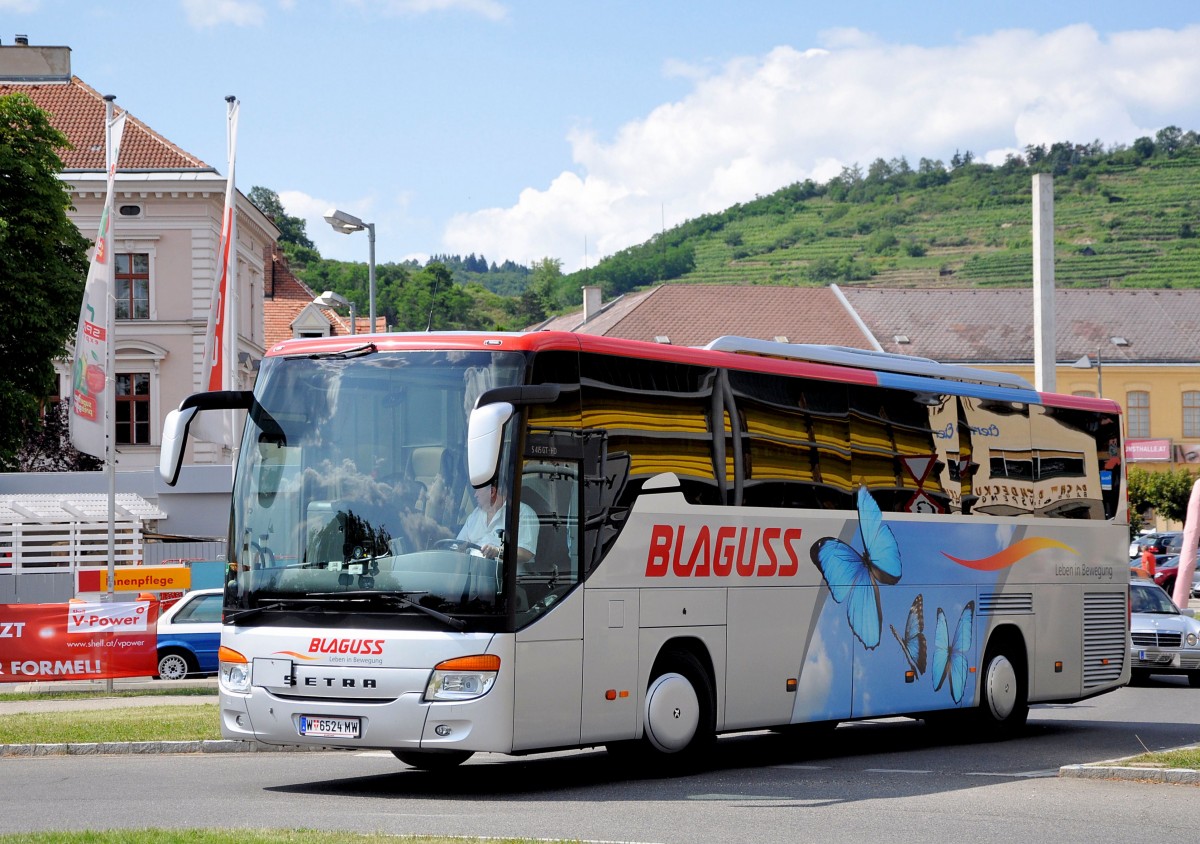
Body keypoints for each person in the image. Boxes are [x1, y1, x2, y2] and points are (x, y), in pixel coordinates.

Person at [456, 481, 539, 565]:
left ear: (492, 492)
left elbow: (526, 554)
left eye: (478, 491)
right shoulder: (475, 514)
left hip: (504, 575)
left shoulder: (522, 512)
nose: (475, 495)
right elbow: (459, 544)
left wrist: (498, 552)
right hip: (474, 572)